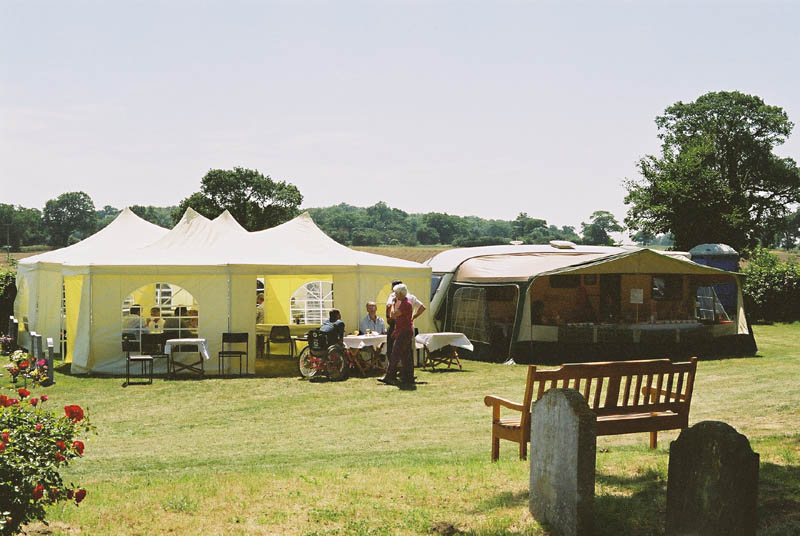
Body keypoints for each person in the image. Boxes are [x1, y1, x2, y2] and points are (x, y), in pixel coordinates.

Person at [379, 284, 414, 385]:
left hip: (404, 332)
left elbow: (393, 315)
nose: (395, 295)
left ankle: (389, 377)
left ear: (400, 293)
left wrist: (393, 304)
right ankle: (408, 377)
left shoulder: (405, 304)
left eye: (396, 293)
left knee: (395, 354)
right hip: (404, 331)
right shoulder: (404, 303)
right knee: (405, 356)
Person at [385, 279, 426, 359]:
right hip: (409, 325)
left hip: (397, 324)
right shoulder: (412, 297)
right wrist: (414, 316)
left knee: (392, 348)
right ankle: (405, 368)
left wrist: (388, 317)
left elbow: (389, 306)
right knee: (407, 349)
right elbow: (422, 307)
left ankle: (393, 368)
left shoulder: (393, 295)